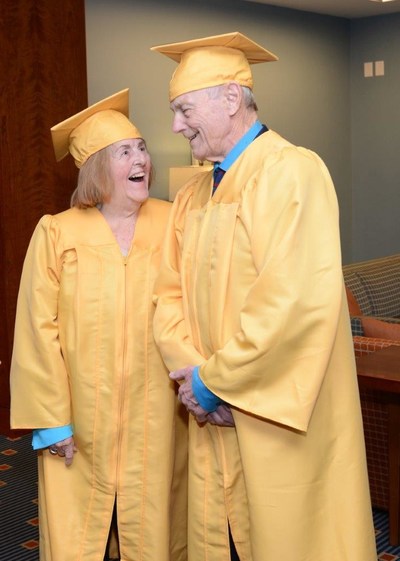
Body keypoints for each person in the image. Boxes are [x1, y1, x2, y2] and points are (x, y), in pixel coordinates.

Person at [150, 32, 377, 561]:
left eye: (184, 109)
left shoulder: (291, 172)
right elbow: (166, 296)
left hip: (269, 412)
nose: (176, 125)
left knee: (286, 537)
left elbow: (293, 302)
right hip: (210, 404)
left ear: (230, 99)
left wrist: (216, 383)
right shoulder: (191, 195)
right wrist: (192, 376)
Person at [10, 89, 187, 561]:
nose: (141, 160)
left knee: (157, 529)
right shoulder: (58, 233)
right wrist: (51, 419)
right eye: (124, 152)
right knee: (77, 535)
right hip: (79, 418)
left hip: (159, 415)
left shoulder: (175, 223)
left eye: (143, 148)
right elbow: (36, 330)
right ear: (95, 169)